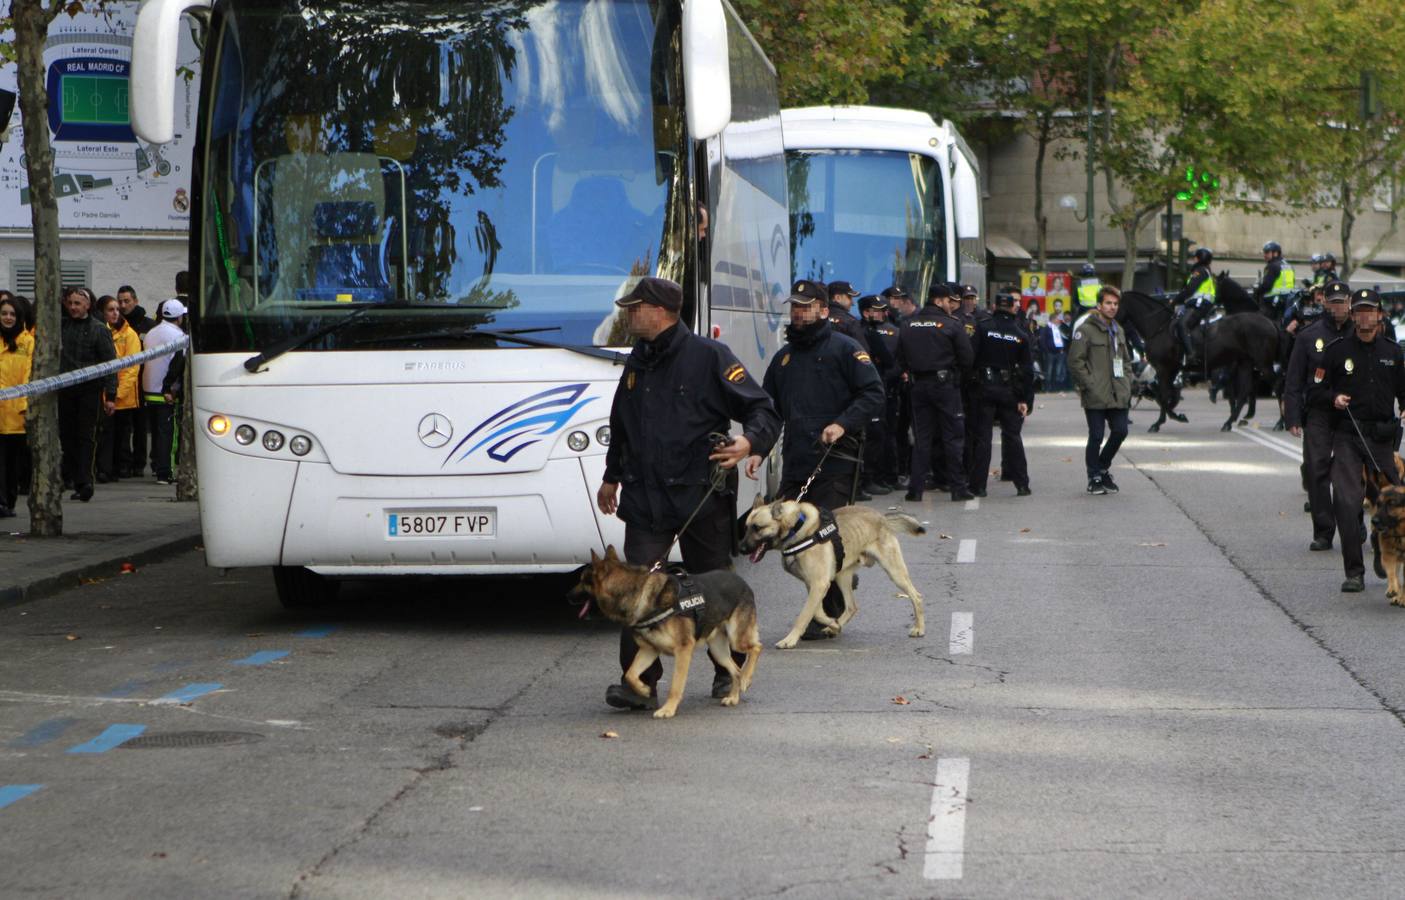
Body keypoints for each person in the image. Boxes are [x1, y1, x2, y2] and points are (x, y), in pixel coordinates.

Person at [597, 276, 779, 708]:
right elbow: (622, 424)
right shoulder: (638, 360)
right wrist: (611, 476)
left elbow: (762, 408)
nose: (627, 313)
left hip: (701, 495)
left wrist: (749, 442)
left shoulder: (709, 356)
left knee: (713, 584)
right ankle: (638, 684)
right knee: (635, 588)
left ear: (659, 311)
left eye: (634, 307)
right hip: (645, 497)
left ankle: (727, 672)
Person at [747, 278, 883, 639]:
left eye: (806, 307)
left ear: (824, 310)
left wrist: (842, 423)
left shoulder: (846, 348)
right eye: (795, 306)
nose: (799, 312)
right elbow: (769, 410)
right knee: (795, 541)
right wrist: (758, 449)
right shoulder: (784, 358)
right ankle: (830, 591)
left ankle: (827, 614)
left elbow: (873, 394)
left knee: (826, 535)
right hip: (797, 460)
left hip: (836, 459)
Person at [1326, 289, 1405, 592]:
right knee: (1346, 501)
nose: (1364, 316)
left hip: (1381, 438)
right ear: (1353, 315)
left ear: (1379, 315)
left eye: (1370, 310)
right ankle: (1354, 572)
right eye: (1359, 310)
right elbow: (1316, 390)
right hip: (1348, 434)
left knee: (1394, 499)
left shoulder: (1392, 352)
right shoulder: (1337, 350)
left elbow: (1403, 389)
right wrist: (1333, 397)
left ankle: (1381, 543)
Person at [1284, 279, 1353, 551]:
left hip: (1351, 413)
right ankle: (1324, 531)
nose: (1337, 307)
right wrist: (1292, 417)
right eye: (1332, 302)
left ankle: (1354, 523)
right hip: (1318, 412)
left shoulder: (1360, 333)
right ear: (1323, 301)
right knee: (1316, 470)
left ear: (1349, 303)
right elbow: (1294, 380)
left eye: (1342, 302)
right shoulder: (1308, 335)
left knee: (1350, 474)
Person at [897, 282, 974, 502]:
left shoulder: (908, 324)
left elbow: (900, 358)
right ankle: (958, 488)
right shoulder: (952, 325)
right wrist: (956, 378)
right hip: (945, 386)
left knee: (922, 438)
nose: (952, 305)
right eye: (950, 301)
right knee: (953, 437)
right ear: (939, 301)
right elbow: (967, 359)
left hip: (918, 386)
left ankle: (916, 489)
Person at [1069, 285, 1133, 495]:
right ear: (1099, 305)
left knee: (1121, 430)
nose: (1112, 307)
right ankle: (1093, 476)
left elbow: (1125, 361)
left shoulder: (1118, 330)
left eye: (1115, 304)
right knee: (1096, 435)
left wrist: (1127, 383)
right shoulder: (1085, 330)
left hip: (1118, 392)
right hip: (1096, 393)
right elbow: (1075, 362)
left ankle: (1103, 467)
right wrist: (1090, 384)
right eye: (1108, 303)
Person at [967, 292, 1034, 497]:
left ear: (994, 306)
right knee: (1013, 437)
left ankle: (978, 486)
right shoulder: (1021, 334)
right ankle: (1022, 484)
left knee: (983, 438)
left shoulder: (983, 327)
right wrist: (1025, 399)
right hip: (1009, 391)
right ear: (1013, 307)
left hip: (984, 388)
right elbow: (1027, 371)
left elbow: (970, 357)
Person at [58, 286, 117, 501]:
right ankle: (69, 477)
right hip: (65, 389)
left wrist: (111, 396)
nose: (73, 307)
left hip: (90, 390)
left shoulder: (99, 329)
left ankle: (84, 481)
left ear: (87, 305)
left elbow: (110, 364)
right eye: (70, 303)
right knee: (66, 436)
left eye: (78, 303)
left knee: (86, 437)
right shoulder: (62, 326)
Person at [142, 298, 189, 485]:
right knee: (168, 434)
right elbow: (177, 364)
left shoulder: (152, 333)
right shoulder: (180, 337)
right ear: (179, 318)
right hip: (165, 392)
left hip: (148, 389)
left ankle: (156, 465)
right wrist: (170, 387)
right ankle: (165, 472)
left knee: (155, 431)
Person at [95, 295, 142, 483]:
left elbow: (132, 368)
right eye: (110, 309)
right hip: (104, 394)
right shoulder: (100, 332)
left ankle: (120, 466)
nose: (115, 313)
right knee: (105, 434)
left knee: (122, 435)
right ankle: (105, 469)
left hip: (123, 396)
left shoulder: (129, 334)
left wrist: (117, 394)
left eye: (117, 309)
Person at [859, 294, 900, 495]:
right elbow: (887, 359)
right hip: (870, 389)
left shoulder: (867, 330)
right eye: (877, 310)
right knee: (873, 435)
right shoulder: (868, 332)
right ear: (866, 313)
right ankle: (867, 480)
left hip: (871, 387)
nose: (883, 313)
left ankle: (870, 478)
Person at [0, 295, 32, 517]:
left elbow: (30, 375)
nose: (8, 317)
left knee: (13, 463)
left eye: (12, 314)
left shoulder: (28, 342)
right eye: (4, 313)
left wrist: (23, 405)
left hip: (17, 413)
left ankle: (9, 501)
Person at [1174, 247, 1216, 360]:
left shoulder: (1200, 271)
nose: (1193, 260)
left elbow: (1189, 290)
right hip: (1201, 304)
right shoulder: (1204, 271)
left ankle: (1191, 354)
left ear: (1199, 259)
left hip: (1199, 304)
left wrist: (1174, 301)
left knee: (1182, 324)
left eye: (1195, 258)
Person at [826, 281, 870, 353]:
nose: (852, 303)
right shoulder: (851, 322)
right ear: (838, 297)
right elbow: (862, 352)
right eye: (849, 297)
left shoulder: (816, 317)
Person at [1254, 241, 1295, 318]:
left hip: (1272, 301)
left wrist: (1257, 291)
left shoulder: (1272, 266)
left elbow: (1266, 286)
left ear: (1275, 253)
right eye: (1264, 253)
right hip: (1287, 300)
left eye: (1267, 252)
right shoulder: (1288, 265)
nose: (1264, 255)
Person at [1040, 303, 1070, 390]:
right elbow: (1043, 340)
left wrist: (1063, 349)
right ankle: (1048, 387)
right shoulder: (1047, 328)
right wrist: (1046, 350)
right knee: (1049, 370)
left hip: (1060, 352)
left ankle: (1058, 387)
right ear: (1053, 319)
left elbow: (1066, 337)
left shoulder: (1060, 327)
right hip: (1050, 352)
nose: (1058, 320)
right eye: (1057, 318)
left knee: (1059, 370)